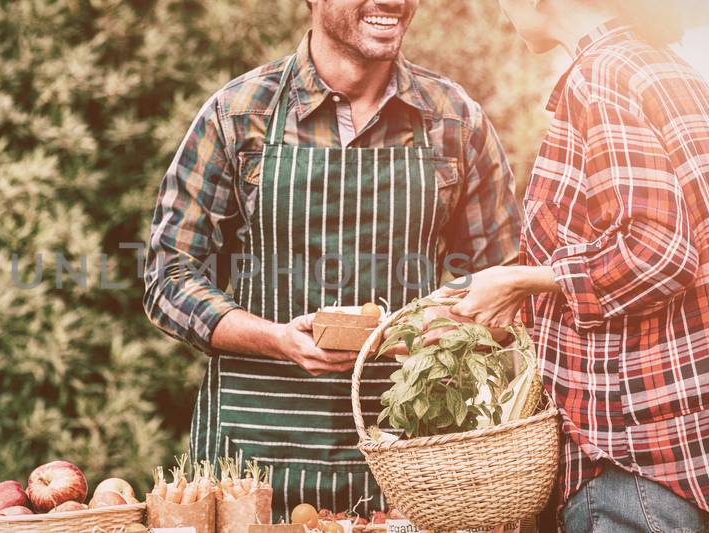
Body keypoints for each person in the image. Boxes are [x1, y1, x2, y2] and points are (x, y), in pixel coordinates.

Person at [445, 1, 709, 531]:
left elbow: (657, 253)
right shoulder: (665, 67)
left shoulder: (600, 77)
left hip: (639, 459)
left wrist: (520, 278)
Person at [142, 0, 519, 521]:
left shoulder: (454, 121)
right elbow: (168, 278)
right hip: (252, 464)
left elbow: (507, 288)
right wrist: (276, 339)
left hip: (406, 457)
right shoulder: (238, 114)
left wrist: (427, 331)